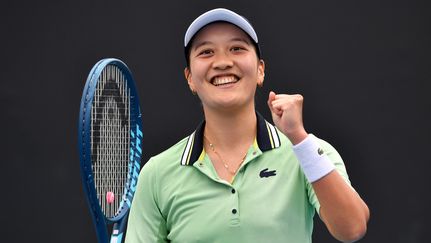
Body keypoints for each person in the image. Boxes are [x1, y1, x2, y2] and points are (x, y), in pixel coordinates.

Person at [125, 8, 369, 243]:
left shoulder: (308, 151)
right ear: (190, 78)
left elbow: (352, 228)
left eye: (237, 48)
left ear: (260, 70)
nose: (222, 62)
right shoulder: (157, 174)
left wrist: (299, 138)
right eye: (206, 52)